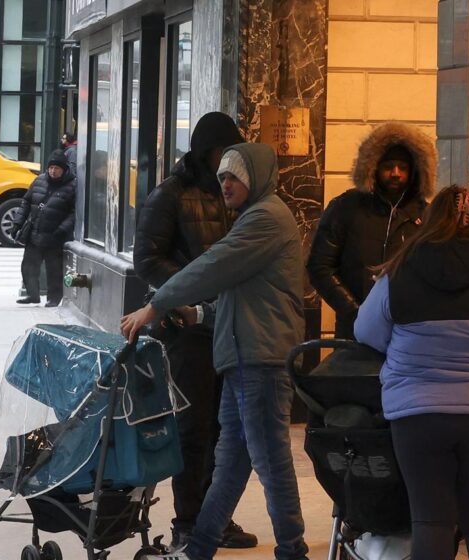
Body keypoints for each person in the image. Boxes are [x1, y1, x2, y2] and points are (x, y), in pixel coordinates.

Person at [121, 143, 308, 560]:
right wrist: (199, 315)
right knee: (229, 463)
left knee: (271, 462)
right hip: (245, 358)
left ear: (255, 177)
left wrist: (157, 304)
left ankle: (293, 551)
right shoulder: (255, 217)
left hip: (260, 360)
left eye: (235, 176)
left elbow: (214, 266)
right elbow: (243, 296)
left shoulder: (265, 218)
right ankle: (199, 548)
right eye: (221, 175)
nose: (225, 183)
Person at [354, 185, 469, 560]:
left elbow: (366, 332)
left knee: (431, 521)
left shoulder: (400, 273)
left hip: (417, 415)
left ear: (431, 219)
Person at [131, 111, 257, 549]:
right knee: (194, 428)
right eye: (223, 153)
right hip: (186, 329)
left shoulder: (241, 196)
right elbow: (146, 260)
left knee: (227, 429)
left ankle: (215, 517)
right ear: (205, 153)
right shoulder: (171, 193)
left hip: (229, 325)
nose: (228, 164)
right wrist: (193, 286)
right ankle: (188, 522)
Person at [308, 123, 433, 339]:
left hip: (406, 334)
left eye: (403, 167)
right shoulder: (346, 208)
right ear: (373, 167)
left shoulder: (427, 216)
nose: (395, 173)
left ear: (414, 171)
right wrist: (357, 312)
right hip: (353, 334)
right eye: (388, 166)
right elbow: (320, 267)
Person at [13, 149, 77, 307]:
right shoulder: (39, 180)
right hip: (35, 232)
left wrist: (62, 230)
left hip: (55, 236)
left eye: (57, 168)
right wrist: (17, 224)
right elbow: (26, 202)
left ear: (64, 169)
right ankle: (32, 294)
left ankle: (53, 298)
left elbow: (75, 212)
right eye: (51, 168)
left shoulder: (73, 185)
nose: (53, 171)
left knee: (54, 270)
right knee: (28, 266)